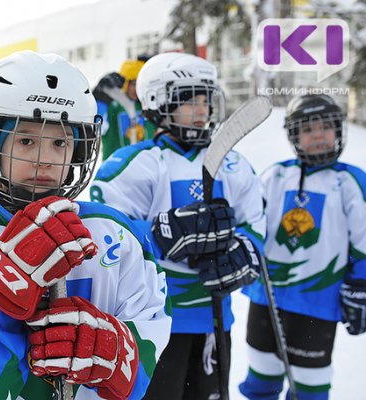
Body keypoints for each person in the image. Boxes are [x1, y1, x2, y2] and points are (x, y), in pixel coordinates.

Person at [0, 50, 171, 400]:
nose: (44, 159)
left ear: (78, 152)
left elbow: (150, 330)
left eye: (60, 142)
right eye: (26, 140)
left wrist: (113, 350)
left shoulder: (115, 233)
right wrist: (0, 303)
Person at [89, 52, 266, 399]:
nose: (202, 109)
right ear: (158, 100)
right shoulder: (135, 164)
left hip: (214, 323)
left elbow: (255, 222)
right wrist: (155, 234)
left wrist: (246, 251)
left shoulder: (232, 163)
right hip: (152, 324)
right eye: (190, 100)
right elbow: (102, 230)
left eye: (206, 99)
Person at [238, 94, 366, 400]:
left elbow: (364, 241)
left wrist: (361, 283)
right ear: (295, 135)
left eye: (326, 127)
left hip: (316, 302)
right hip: (266, 298)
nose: (319, 134)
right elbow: (250, 222)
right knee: (260, 380)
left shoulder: (350, 181)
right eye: (309, 129)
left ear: (338, 130)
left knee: (309, 387)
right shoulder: (275, 175)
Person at [95, 57, 156, 160]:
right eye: (133, 84)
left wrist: (143, 132)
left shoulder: (144, 105)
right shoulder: (113, 106)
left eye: (139, 84)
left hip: (141, 164)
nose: (136, 89)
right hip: (114, 166)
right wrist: (99, 100)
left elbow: (153, 131)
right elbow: (98, 128)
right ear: (125, 83)